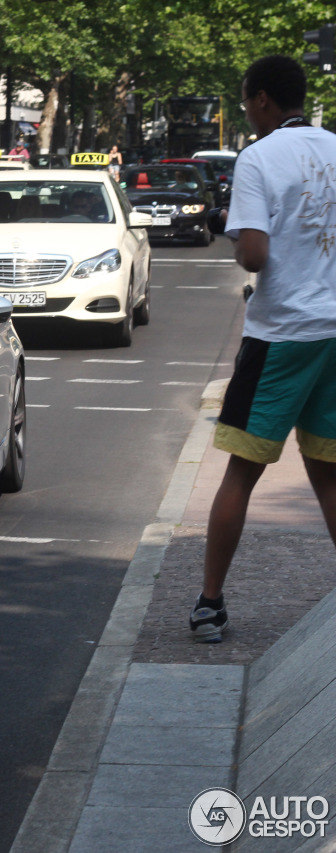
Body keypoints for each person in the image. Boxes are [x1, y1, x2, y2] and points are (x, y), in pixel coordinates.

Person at [189, 54, 336, 644]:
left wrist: (240, 254)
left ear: (261, 100)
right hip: (334, 331)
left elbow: (253, 254)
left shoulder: (257, 157)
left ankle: (210, 604)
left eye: (247, 101)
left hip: (281, 335)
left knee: (240, 473)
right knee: (328, 474)